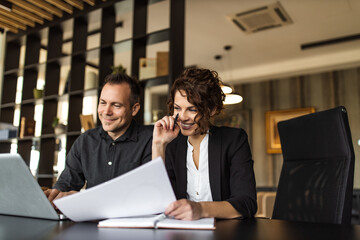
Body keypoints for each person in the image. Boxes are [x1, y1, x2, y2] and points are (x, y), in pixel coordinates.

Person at [152, 68, 257, 220]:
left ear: (212, 109)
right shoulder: (172, 146)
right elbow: (157, 202)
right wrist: (158, 144)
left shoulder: (234, 140)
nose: (182, 117)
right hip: (181, 232)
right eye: (177, 108)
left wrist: (200, 209)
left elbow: (247, 203)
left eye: (192, 109)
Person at [45, 73, 153, 203]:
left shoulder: (151, 140)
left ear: (134, 109)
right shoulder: (85, 141)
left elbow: (148, 195)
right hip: (90, 221)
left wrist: (83, 198)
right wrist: (54, 196)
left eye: (116, 105)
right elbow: (65, 185)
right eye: (103, 103)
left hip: (131, 222)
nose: (106, 111)